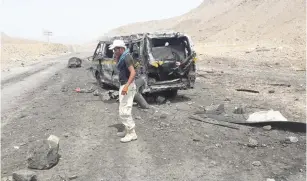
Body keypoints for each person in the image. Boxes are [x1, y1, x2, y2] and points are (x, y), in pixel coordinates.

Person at [109, 39, 137, 143]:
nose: (114, 51)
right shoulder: (122, 57)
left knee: (125, 110)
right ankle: (127, 130)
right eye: (114, 50)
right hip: (124, 85)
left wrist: (126, 86)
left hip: (127, 86)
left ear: (121, 49)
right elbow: (118, 68)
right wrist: (116, 57)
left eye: (115, 49)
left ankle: (131, 133)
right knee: (122, 108)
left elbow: (133, 73)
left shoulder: (127, 57)